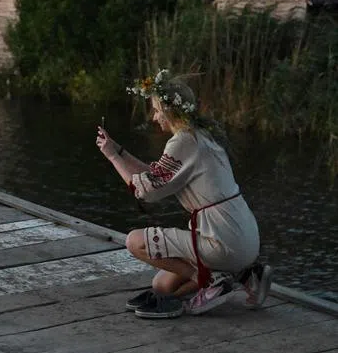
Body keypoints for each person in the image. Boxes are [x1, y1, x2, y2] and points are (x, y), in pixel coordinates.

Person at [96, 70, 272, 319]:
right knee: (163, 287)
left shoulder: (182, 142)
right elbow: (156, 175)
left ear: (169, 111)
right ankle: (246, 274)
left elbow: (144, 191)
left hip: (220, 239)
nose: (154, 117)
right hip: (243, 236)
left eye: (157, 110)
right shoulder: (202, 136)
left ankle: (213, 281)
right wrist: (119, 151)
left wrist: (112, 157)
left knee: (135, 241)